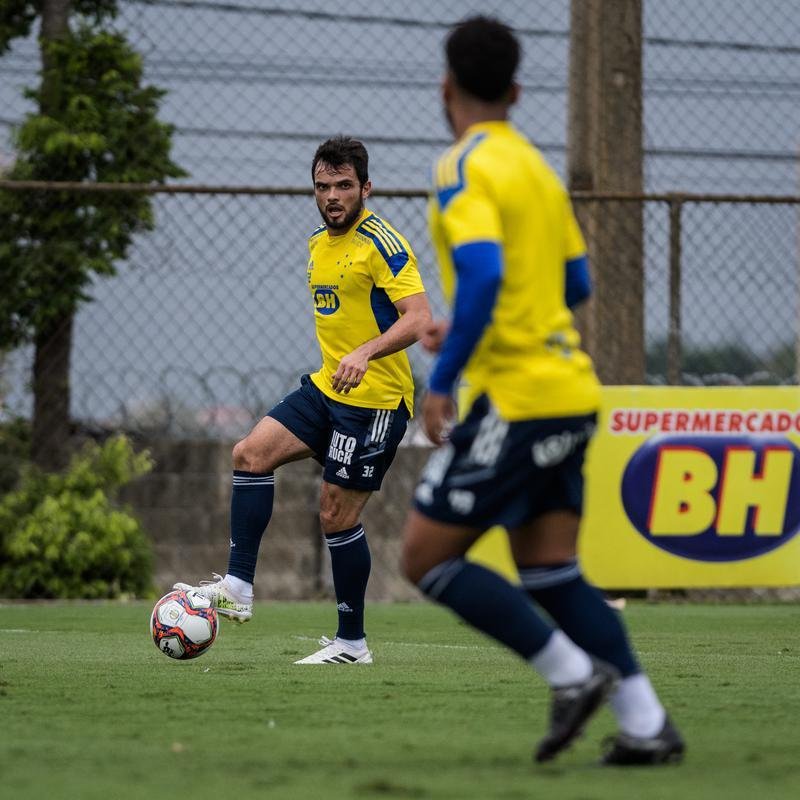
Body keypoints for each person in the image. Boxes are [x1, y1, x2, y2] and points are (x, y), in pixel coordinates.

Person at [401, 16, 684, 765]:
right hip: (571, 390)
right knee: (551, 571)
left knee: (424, 558)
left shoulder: (461, 165)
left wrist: (446, 375)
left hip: (518, 399)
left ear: (447, 87)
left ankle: (568, 674)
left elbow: (489, 271)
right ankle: (649, 726)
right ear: (518, 90)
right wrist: (467, 321)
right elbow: (575, 281)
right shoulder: (535, 167)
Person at [177, 136, 431, 665]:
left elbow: (419, 318)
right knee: (250, 453)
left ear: (366, 187)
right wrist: (343, 361)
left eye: (343, 186)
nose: (333, 196)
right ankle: (240, 588)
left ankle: (351, 644)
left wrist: (365, 352)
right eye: (323, 186)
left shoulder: (382, 242)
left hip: (377, 402)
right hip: (327, 389)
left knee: (335, 515)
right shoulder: (318, 242)